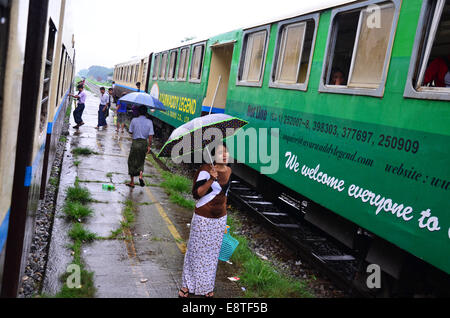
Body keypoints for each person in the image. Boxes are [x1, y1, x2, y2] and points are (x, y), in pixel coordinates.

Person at [179, 144, 232, 299]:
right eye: (221, 152)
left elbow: (226, 195)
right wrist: (211, 179)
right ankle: (186, 285)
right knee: (195, 251)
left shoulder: (229, 171)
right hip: (203, 217)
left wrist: (224, 216)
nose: (224, 155)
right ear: (213, 155)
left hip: (220, 219)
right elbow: (197, 193)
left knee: (212, 254)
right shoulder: (204, 170)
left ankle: (206, 287)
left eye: (226, 152)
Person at [126, 106, 154, 188]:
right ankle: (140, 175)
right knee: (141, 160)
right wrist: (149, 146)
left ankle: (132, 182)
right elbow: (150, 135)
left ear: (138, 112)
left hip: (135, 142)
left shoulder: (134, 120)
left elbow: (130, 132)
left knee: (131, 161)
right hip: (144, 143)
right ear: (146, 112)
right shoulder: (149, 122)